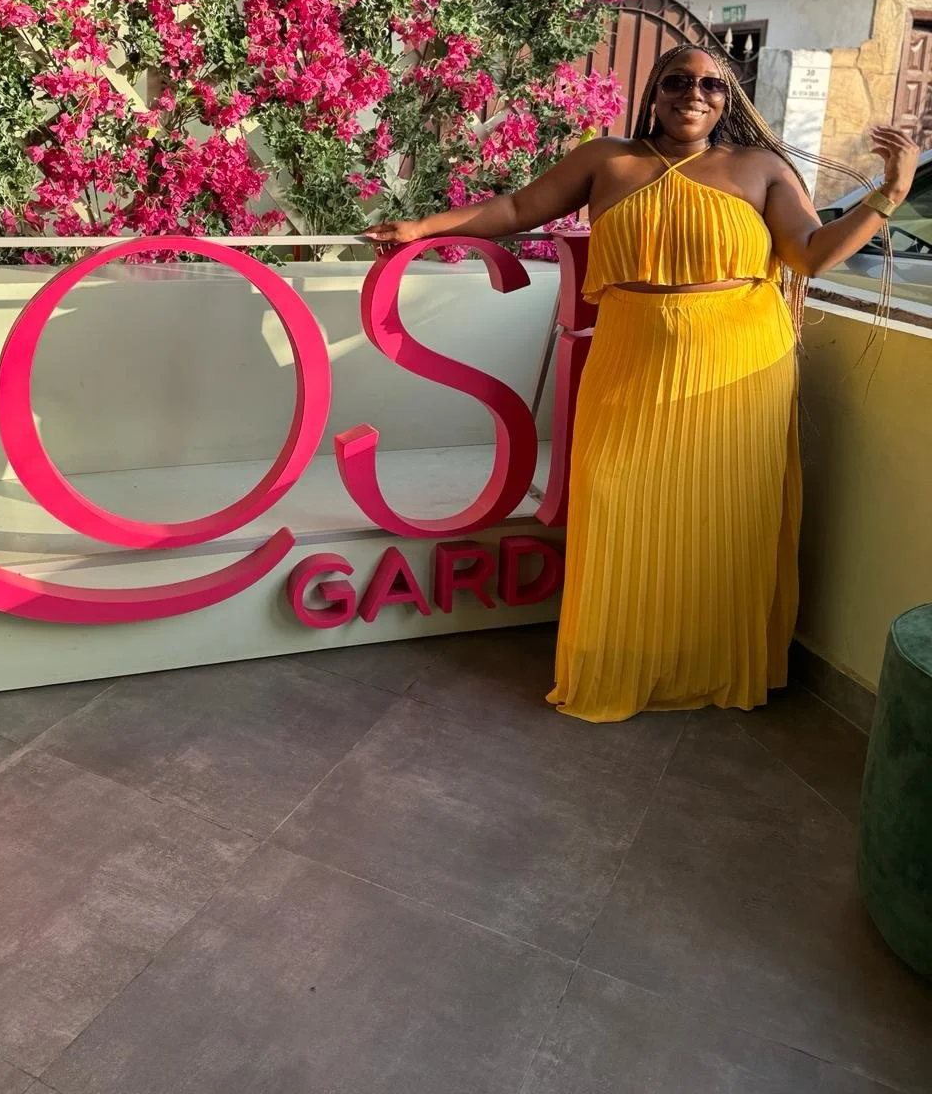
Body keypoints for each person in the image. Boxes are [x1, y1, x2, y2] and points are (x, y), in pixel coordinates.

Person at [365, 46, 918, 723]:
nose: (695, 94)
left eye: (711, 84)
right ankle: (618, 665)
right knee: (615, 497)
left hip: (740, 367)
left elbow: (811, 255)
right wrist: (421, 227)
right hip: (631, 358)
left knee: (723, 519)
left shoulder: (761, 168)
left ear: (728, 98)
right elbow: (516, 208)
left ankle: (710, 667)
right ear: (655, 92)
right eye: (678, 81)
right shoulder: (608, 160)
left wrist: (891, 193)